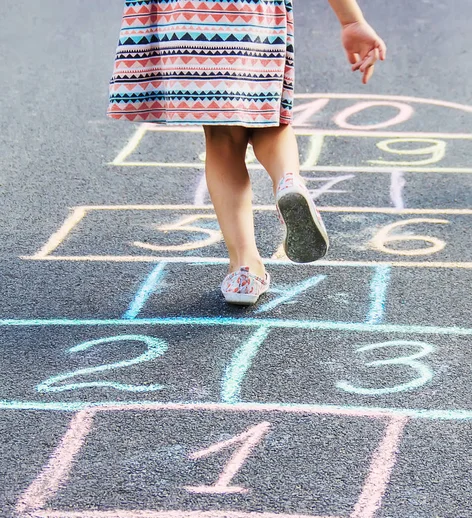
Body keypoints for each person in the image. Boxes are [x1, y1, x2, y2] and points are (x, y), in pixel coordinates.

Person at [108, 0, 386, 305]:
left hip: (187, 17)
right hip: (250, 12)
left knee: (222, 135)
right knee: (270, 122)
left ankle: (244, 268)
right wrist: (350, 20)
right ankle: (287, 180)